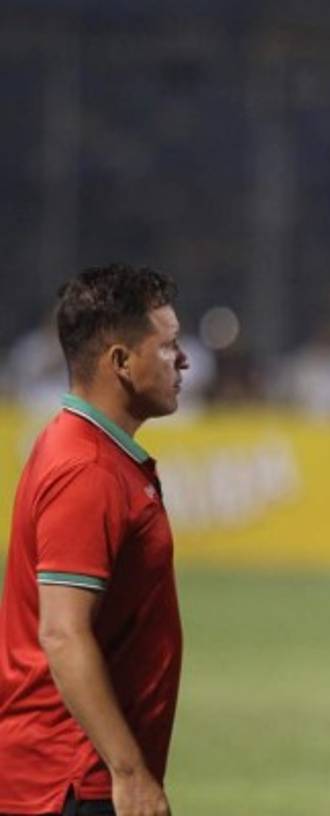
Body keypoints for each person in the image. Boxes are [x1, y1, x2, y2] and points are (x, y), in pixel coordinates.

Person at [0, 265, 189, 816]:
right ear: (121, 362)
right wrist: (129, 774)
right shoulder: (88, 469)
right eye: (168, 346)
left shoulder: (90, 450)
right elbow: (61, 634)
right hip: (71, 780)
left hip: (78, 774)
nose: (184, 360)